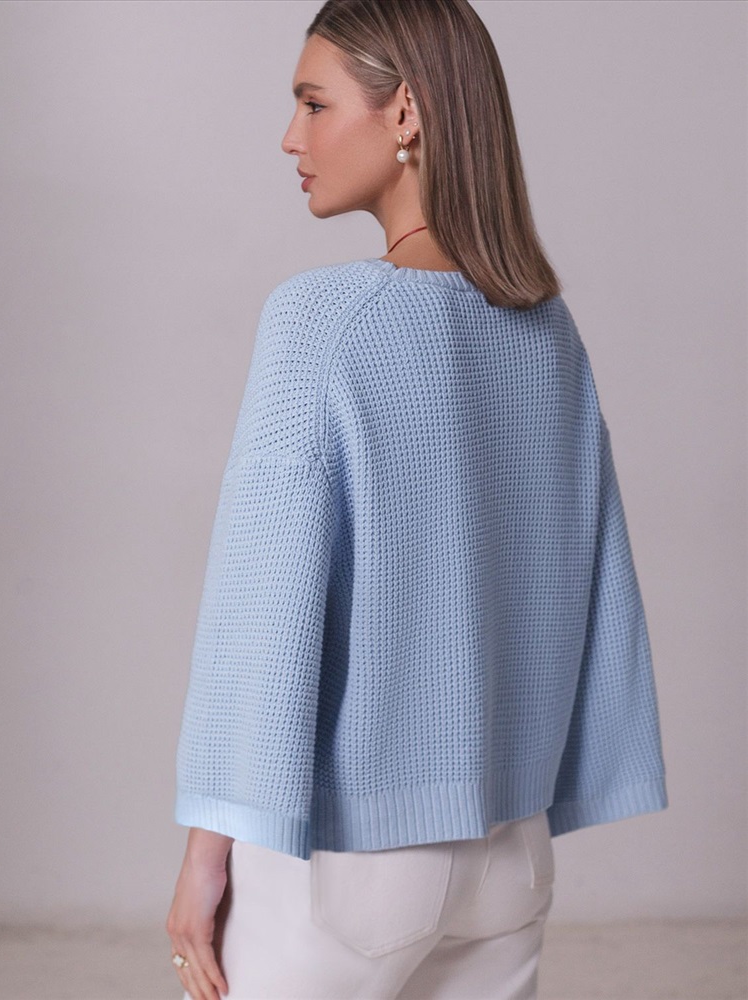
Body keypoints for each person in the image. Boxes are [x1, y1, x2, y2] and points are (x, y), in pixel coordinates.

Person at [166, 1, 669, 998]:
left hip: (349, 856)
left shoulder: (321, 322)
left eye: (314, 103)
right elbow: (594, 577)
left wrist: (207, 848)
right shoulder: (549, 333)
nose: (291, 136)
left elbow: (261, 614)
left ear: (404, 113)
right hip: (512, 843)